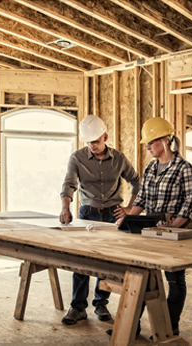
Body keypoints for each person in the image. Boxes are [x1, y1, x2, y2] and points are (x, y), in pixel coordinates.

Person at [106, 117, 192, 337]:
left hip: (178, 229)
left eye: (150, 142)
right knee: (142, 277)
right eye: (146, 143)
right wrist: (128, 220)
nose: (147, 147)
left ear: (165, 140)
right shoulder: (150, 168)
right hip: (154, 229)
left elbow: (190, 204)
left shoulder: (185, 169)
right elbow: (141, 200)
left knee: (175, 279)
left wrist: (173, 228)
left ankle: (169, 327)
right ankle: (132, 325)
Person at [59, 114, 141, 326]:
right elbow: (69, 183)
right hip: (87, 214)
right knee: (81, 262)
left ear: (105, 137)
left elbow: (136, 181)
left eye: (95, 141)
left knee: (106, 262)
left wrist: (130, 208)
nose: (91, 146)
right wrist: (65, 207)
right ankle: (78, 307)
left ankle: (101, 303)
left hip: (113, 215)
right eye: (88, 142)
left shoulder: (120, 159)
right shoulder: (77, 158)